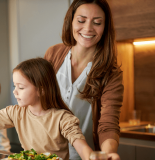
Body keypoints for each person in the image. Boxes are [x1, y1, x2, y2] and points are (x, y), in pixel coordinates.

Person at [44, 0, 123, 160]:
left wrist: (107, 154)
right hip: (44, 153)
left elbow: (108, 123)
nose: (88, 28)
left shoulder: (111, 73)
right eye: (81, 20)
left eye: (97, 22)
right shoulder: (53, 54)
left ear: (105, 27)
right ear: (71, 21)